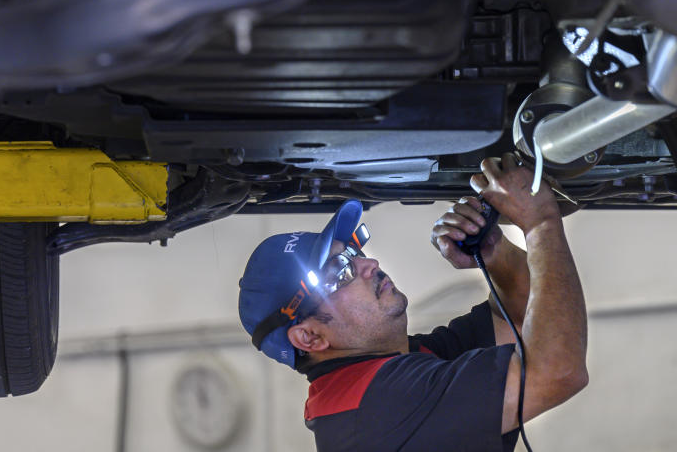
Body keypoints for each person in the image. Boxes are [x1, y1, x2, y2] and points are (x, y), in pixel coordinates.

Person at [238, 153, 588, 451]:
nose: (368, 265)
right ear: (310, 337)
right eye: (339, 271)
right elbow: (557, 371)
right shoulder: (378, 406)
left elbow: (518, 315)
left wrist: (491, 248)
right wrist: (540, 222)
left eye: (354, 252)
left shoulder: (390, 369)